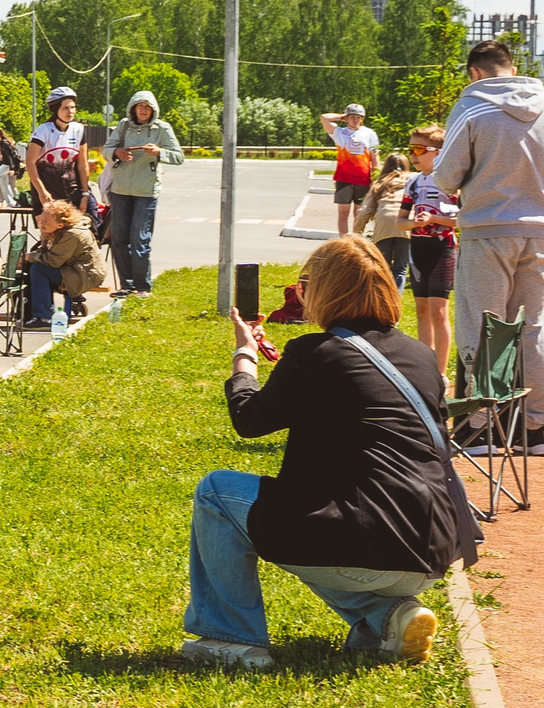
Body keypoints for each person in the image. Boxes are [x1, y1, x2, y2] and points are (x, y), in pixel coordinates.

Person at [186, 236, 479, 669]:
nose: (301, 292)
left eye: (305, 283)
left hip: (362, 542)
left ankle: (232, 639)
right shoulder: (420, 355)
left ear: (323, 290)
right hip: (431, 546)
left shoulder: (314, 352)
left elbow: (249, 420)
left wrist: (244, 356)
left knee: (217, 492)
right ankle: (390, 616)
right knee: (329, 529)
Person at [434, 39, 544, 453]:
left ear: (474, 72)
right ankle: (536, 429)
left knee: (483, 324)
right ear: (512, 67)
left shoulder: (473, 105)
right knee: (534, 326)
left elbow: (445, 176)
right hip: (540, 232)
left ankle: (481, 427)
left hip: (487, 230)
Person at [102, 88, 184, 295]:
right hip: (120, 190)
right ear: (133, 108)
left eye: (147, 107)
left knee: (140, 238)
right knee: (119, 238)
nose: (143, 110)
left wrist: (159, 152)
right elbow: (106, 150)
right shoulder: (123, 126)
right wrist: (117, 153)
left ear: (153, 109)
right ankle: (127, 285)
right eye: (140, 106)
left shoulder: (162, 128)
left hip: (146, 192)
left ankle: (142, 286)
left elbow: (178, 156)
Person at [402, 123, 457, 373]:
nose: (413, 155)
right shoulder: (412, 183)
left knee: (439, 310)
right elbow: (400, 220)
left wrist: (435, 220)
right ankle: (427, 371)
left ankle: (442, 372)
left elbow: (461, 219)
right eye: (410, 149)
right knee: (421, 309)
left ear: (437, 152)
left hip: (442, 246)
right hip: (417, 247)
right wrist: (413, 222)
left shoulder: (450, 181)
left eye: (419, 149)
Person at [23, 198, 103, 326]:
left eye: (45, 222)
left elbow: (53, 261)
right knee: (34, 266)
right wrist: (44, 234)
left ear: (60, 225)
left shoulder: (72, 234)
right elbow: (44, 250)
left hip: (85, 274)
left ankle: (43, 317)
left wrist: (29, 257)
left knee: (38, 270)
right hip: (72, 267)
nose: (41, 224)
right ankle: (31, 312)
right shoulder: (58, 230)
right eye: (41, 220)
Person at [319, 103, 381, 239]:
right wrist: (341, 117)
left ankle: (357, 239)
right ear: (347, 117)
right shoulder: (340, 132)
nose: (355, 120)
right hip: (344, 179)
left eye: (358, 117)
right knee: (343, 213)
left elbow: (375, 157)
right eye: (352, 117)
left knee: (359, 213)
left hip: (363, 179)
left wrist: (375, 179)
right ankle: (344, 240)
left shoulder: (369, 134)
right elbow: (324, 118)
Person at [26, 86, 90, 214]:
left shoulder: (78, 129)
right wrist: (41, 192)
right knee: (51, 232)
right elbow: (30, 162)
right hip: (48, 191)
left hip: (72, 191)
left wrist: (85, 193)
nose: (70, 111)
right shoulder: (44, 130)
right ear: (55, 109)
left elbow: (82, 164)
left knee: (90, 226)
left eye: (72, 107)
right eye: (65, 108)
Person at [364, 150, 413, 289]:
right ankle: (396, 301)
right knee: (400, 268)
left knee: (382, 267)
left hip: (384, 224)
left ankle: (383, 298)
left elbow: (364, 212)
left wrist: (357, 232)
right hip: (405, 224)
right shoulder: (412, 182)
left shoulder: (379, 184)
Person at [0, 126, 25, 202]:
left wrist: (12, 168)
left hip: (7, 165)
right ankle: (12, 202)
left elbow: (10, 156)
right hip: (2, 165)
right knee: (4, 185)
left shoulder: (4, 143)